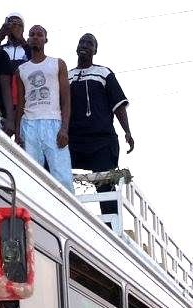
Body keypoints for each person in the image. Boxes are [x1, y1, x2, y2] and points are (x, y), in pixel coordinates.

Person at [67, 33, 134, 215]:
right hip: (73, 140)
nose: (85, 45)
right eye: (82, 41)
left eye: (89, 43)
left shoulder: (104, 73)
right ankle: (65, 215)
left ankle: (111, 228)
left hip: (101, 141)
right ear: (76, 47)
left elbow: (118, 105)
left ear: (95, 50)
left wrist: (127, 132)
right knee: (58, 174)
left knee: (104, 185)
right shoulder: (68, 76)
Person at [14, 25, 73, 192]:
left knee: (62, 175)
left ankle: (67, 214)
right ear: (28, 39)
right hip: (29, 125)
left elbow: (66, 99)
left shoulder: (57, 64)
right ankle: (33, 215)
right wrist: (18, 132)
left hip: (53, 123)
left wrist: (64, 129)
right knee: (32, 175)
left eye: (40, 34)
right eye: (32, 34)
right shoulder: (22, 70)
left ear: (46, 39)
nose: (35, 37)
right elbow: (20, 103)